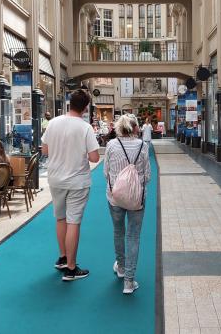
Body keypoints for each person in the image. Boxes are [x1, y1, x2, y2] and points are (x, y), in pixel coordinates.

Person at [41, 89, 100, 281]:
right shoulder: (85, 128)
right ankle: (71, 268)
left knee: (60, 218)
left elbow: (45, 150)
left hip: (55, 178)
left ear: (69, 103)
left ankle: (62, 258)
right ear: (85, 108)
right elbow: (94, 157)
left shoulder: (53, 122)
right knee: (73, 221)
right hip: (77, 180)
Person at [104, 114, 151, 294]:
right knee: (133, 236)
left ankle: (121, 267)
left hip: (115, 197)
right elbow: (147, 175)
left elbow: (106, 172)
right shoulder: (142, 146)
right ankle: (129, 282)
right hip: (137, 199)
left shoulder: (111, 145)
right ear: (135, 128)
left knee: (118, 231)